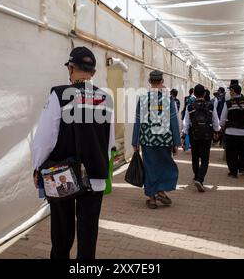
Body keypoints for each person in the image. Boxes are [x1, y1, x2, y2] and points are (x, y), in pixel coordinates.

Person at [31, 46, 115, 259]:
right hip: (95, 173)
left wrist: (37, 166)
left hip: (62, 174)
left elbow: (45, 138)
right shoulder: (106, 99)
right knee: (88, 231)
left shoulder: (59, 95)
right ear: (93, 73)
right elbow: (109, 141)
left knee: (61, 229)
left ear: (71, 68)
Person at [132, 70, 181, 209]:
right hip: (164, 139)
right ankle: (160, 190)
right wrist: (176, 142)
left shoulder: (142, 99)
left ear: (149, 81)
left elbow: (138, 121)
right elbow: (173, 122)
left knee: (150, 167)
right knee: (165, 166)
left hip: (147, 140)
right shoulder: (168, 99)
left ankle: (152, 198)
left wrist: (135, 142)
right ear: (162, 81)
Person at [182, 84, 220, 192]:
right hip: (207, 135)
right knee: (205, 158)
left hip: (194, 134)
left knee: (195, 157)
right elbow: (215, 120)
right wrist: (217, 130)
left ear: (194, 93)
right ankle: (200, 178)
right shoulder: (210, 105)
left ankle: (196, 176)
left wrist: (184, 134)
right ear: (204, 93)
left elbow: (186, 122)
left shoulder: (190, 106)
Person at [220, 84, 244, 178]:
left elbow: (223, 118)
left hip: (231, 131)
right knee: (243, 151)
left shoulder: (228, 103)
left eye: (230, 91)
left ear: (233, 91)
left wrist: (221, 127)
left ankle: (233, 171)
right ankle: (242, 169)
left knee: (231, 152)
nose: (229, 92)